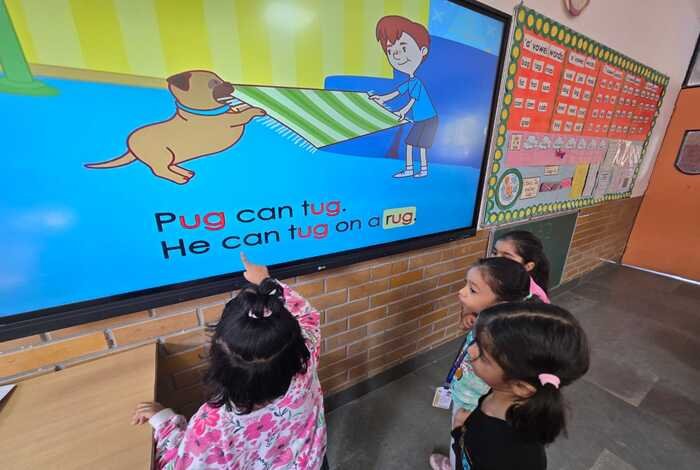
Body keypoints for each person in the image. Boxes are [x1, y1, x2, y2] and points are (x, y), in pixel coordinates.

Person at [131, 253, 328, 469]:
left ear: (218, 362)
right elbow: (307, 316)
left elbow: (180, 465)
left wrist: (163, 421)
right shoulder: (306, 363)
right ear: (297, 344)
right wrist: (266, 282)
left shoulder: (215, 426)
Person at [451, 302, 590, 470]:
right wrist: (463, 432)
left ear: (521, 387)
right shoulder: (499, 392)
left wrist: (459, 437)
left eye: (483, 355)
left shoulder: (516, 458)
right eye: (476, 341)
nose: (470, 350)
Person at [430, 257, 536, 470]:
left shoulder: (504, 341)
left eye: (472, 289)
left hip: (473, 402)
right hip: (466, 391)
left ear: (501, 303)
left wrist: (474, 415)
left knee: (462, 442)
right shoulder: (491, 319)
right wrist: (467, 315)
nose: (461, 292)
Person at [370, 15, 438, 178]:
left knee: (419, 145)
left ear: (422, 51)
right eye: (390, 51)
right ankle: (412, 169)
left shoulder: (416, 83)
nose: (397, 55)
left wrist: (403, 111)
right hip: (422, 119)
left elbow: (413, 99)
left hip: (428, 119)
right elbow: (398, 92)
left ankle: (419, 170)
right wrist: (382, 98)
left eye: (403, 48)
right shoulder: (410, 81)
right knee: (412, 144)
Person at [492, 230, 551, 303]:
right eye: (494, 253)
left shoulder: (533, 299)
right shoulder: (490, 277)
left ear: (528, 266)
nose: (495, 259)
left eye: (506, 257)